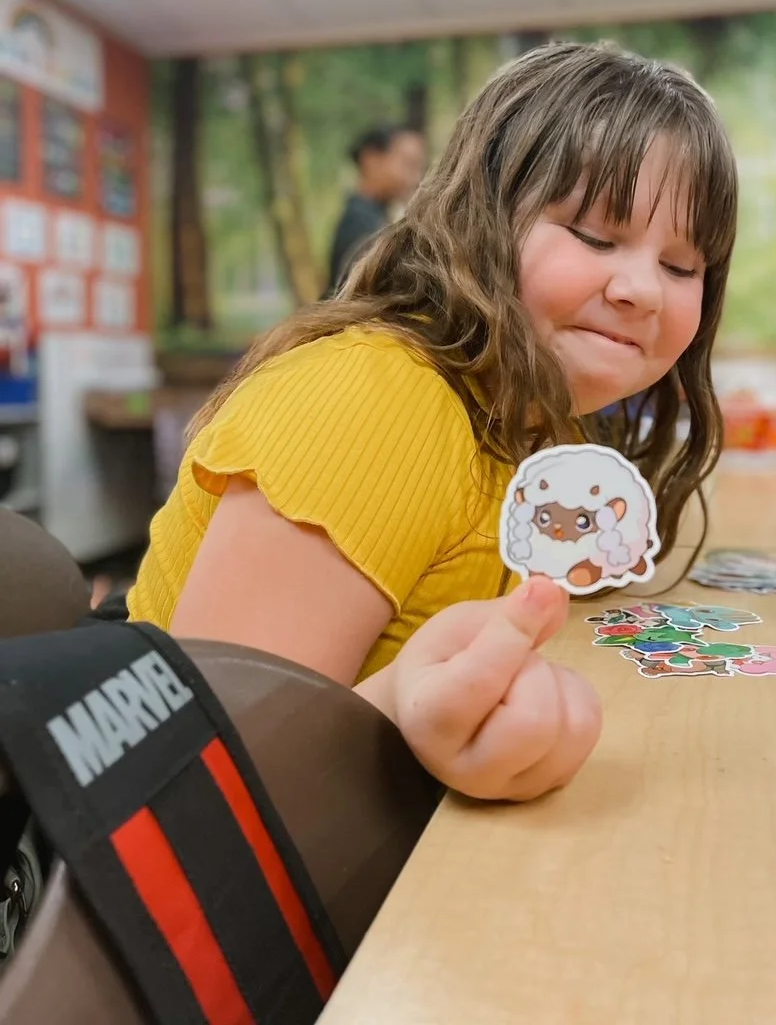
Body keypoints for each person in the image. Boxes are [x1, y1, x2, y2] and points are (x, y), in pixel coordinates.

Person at [126, 40, 739, 801]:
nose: (643, 289)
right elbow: (201, 790)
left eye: (682, 267)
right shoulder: (369, 399)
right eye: (594, 235)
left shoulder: (550, 428)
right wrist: (408, 713)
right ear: (480, 219)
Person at [327, 123, 426, 292]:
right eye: (408, 164)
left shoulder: (373, 217)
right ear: (371, 160)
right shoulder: (361, 224)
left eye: (419, 168)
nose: (416, 178)